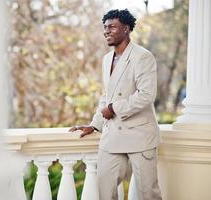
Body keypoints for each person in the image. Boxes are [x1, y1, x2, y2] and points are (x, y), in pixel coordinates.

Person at [69, 9, 162, 200]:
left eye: (112, 26)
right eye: (105, 27)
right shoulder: (106, 60)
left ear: (126, 29)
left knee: (148, 194)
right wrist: (95, 124)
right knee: (104, 191)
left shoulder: (143, 57)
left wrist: (114, 109)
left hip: (140, 136)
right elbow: (107, 96)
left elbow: (146, 95)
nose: (106, 31)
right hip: (112, 136)